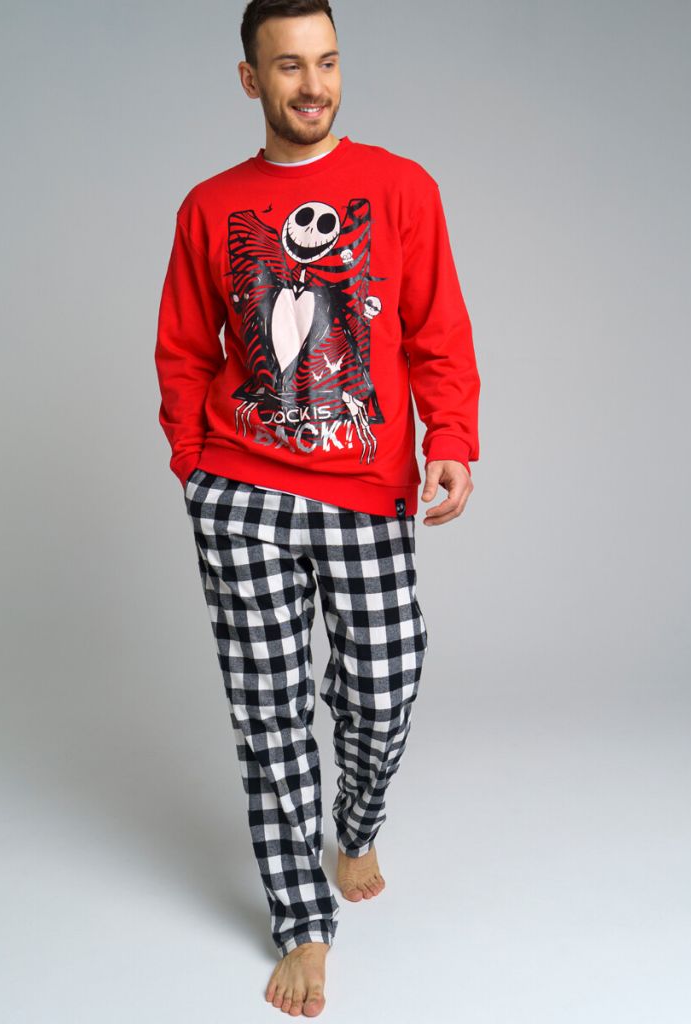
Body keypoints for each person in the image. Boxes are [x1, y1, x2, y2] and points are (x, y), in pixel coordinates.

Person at [154, 0, 480, 1015]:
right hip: (242, 493)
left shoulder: (402, 187)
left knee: (383, 684)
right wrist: (194, 465)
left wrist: (450, 439)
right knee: (270, 713)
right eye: (289, 66)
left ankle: (358, 820)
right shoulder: (210, 207)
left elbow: (436, 328)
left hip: (363, 492)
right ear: (250, 79)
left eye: (327, 62)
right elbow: (183, 346)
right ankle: (302, 922)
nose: (313, 85)